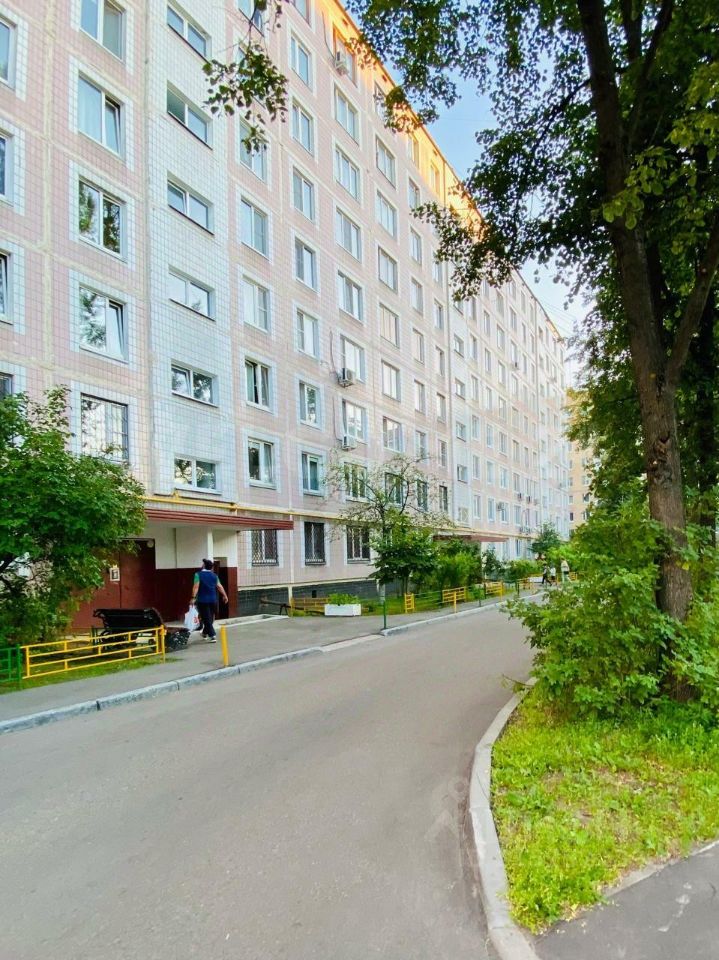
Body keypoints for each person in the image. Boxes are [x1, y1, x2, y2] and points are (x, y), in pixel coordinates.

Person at [191, 559, 228, 643]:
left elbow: (196, 587)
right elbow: (219, 586)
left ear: (203, 566)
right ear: (211, 568)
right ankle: (204, 633)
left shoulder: (198, 574)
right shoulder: (214, 576)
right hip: (213, 600)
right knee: (210, 618)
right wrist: (225, 595)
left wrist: (193, 597)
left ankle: (212, 635)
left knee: (207, 618)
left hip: (202, 600)